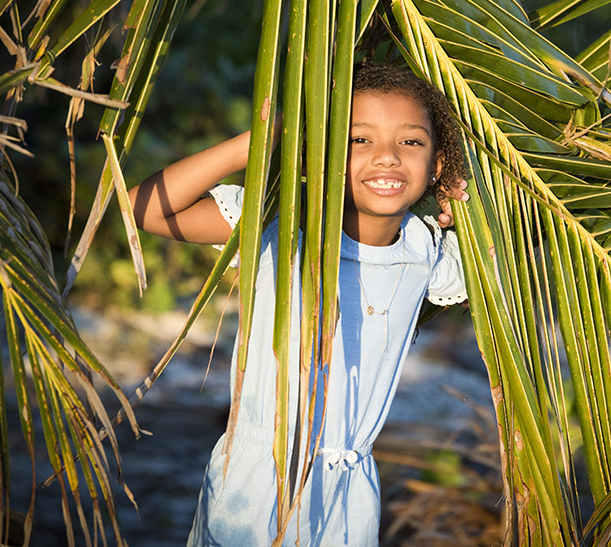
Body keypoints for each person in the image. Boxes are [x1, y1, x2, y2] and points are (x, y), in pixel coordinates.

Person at [128, 62, 470, 546]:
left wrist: (466, 211)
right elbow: (144, 208)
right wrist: (255, 143)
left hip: (350, 496)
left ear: (436, 163)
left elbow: (514, 253)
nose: (388, 157)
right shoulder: (279, 224)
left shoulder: (425, 249)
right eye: (359, 140)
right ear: (319, 152)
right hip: (254, 486)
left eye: (411, 142)